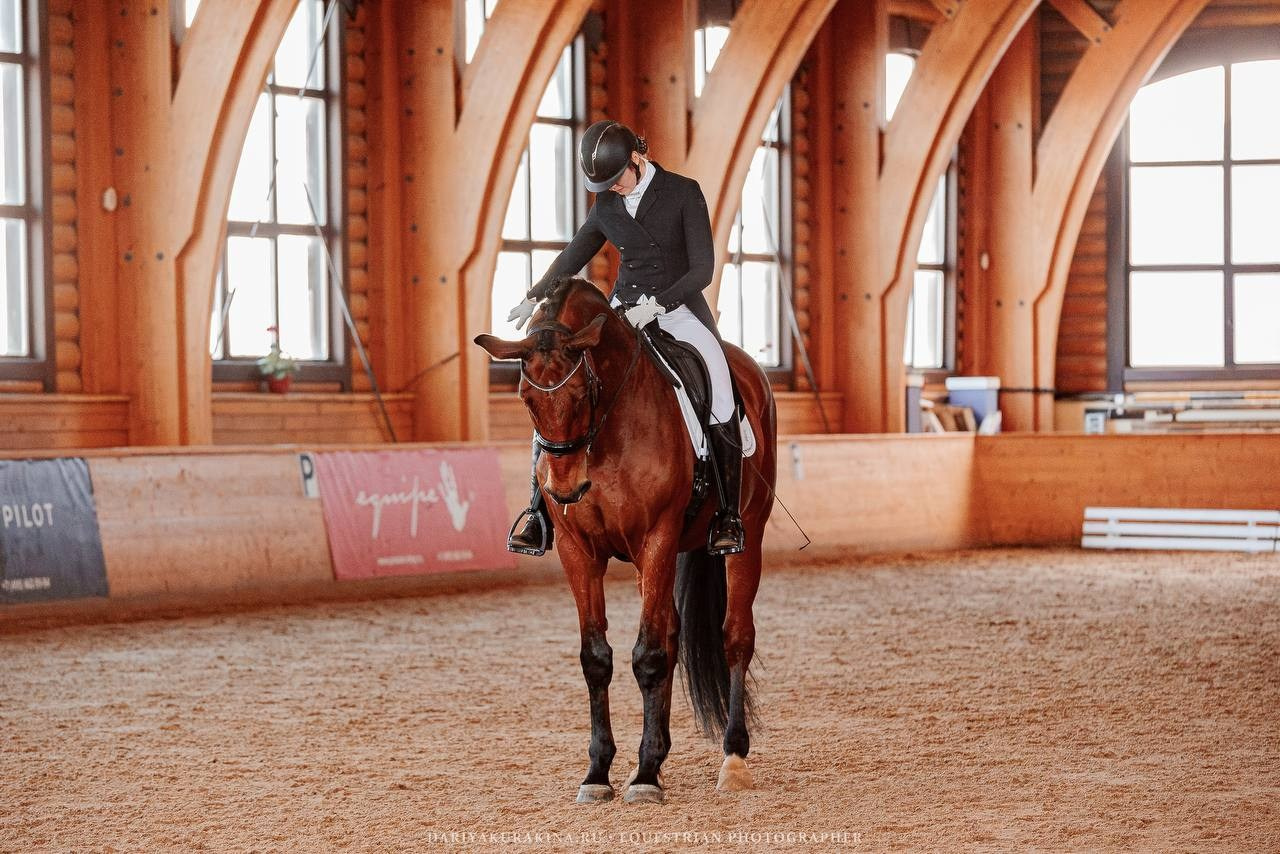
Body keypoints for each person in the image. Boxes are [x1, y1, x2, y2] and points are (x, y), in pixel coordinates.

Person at [505, 119, 744, 558]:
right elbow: (574, 254)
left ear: (638, 158)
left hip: (679, 309)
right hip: (623, 312)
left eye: (617, 179)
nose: (612, 188)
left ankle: (728, 514)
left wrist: (661, 304)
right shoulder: (606, 204)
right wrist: (532, 295)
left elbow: (702, 271)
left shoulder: (683, 192)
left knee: (720, 380)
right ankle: (538, 512)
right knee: (561, 386)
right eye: (604, 183)